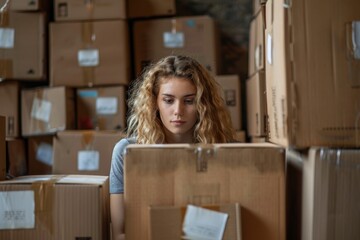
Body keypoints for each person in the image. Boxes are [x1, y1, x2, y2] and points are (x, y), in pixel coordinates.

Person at [109, 55, 237, 240]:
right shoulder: (127, 152)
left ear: (203, 104)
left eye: (189, 101)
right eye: (168, 100)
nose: (178, 111)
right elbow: (120, 233)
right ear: (155, 102)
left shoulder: (226, 150)